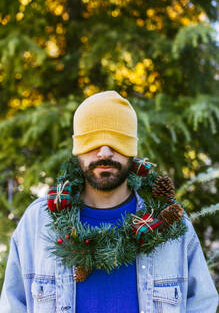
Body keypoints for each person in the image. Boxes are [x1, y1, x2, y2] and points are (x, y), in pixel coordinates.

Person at [0, 90, 218, 313]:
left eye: (117, 140)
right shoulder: (38, 223)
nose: (104, 152)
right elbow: (12, 305)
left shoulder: (169, 222)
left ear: (132, 147)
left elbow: (203, 304)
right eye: (92, 141)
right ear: (78, 148)